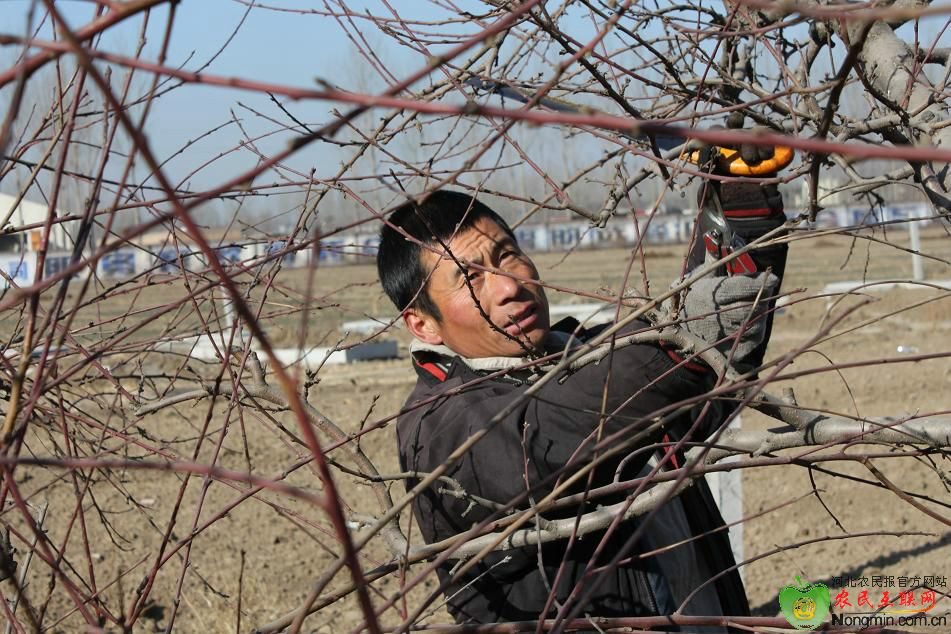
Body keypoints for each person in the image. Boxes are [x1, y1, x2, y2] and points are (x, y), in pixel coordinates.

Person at [376, 176, 786, 627]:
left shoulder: (590, 355)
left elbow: (705, 388)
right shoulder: (438, 427)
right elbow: (558, 432)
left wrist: (743, 224)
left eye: (507, 254)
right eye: (470, 278)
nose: (507, 285)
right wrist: (691, 340)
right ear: (423, 325)